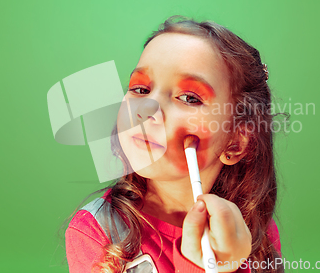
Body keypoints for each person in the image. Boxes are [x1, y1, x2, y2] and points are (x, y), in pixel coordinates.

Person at [64, 16, 283, 272]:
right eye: (140, 90)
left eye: (189, 98)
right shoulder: (96, 233)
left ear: (235, 141)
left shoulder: (251, 228)